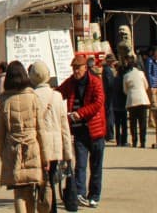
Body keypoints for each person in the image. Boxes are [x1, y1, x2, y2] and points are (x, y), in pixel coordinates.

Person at [0, 61, 48, 213]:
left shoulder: (4, 100)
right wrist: (45, 156)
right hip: (32, 147)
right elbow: (41, 129)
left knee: (18, 191)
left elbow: (0, 132)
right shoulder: (33, 97)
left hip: (12, 148)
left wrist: (1, 153)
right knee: (30, 188)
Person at [59, 54, 105, 208]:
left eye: (78, 68)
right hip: (79, 131)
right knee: (80, 164)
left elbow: (98, 102)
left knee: (96, 165)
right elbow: (59, 93)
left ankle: (94, 195)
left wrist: (81, 113)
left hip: (96, 130)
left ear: (85, 67)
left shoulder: (96, 82)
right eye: (73, 68)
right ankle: (79, 193)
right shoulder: (70, 83)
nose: (75, 71)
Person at [29, 60, 74, 213]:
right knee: (51, 182)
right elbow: (64, 127)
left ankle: (43, 208)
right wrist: (68, 154)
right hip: (55, 148)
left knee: (39, 184)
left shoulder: (31, 97)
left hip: (37, 146)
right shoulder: (57, 96)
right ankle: (51, 208)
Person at [123, 57, 150, 148]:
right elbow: (146, 86)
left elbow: (125, 90)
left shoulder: (126, 76)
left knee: (133, 123)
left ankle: (134, 141)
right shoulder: (141, 73)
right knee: (143, 123)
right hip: (142, 100)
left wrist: (131, 92)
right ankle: (143, 142)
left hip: (131, 100)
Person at [111, 57, 129, 147]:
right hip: (123, 105)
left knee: (117, 124)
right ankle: (124, 140)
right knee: (124, 124)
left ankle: (118, 141)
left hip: (116, 104)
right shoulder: (124, 79)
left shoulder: (115, 79)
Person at [102, 53, 118, 142]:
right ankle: (109, 135)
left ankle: (109, 134)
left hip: (109, 95)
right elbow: (109, 84)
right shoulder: (107, 70)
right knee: (109, 115)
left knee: (110, 114)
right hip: (109, 95)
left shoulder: (108, 70)